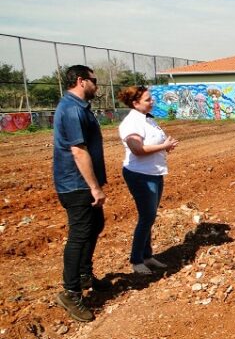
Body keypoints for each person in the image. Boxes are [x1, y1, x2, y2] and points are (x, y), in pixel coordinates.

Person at [53, 65, 108, 322]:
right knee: (79, 235)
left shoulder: (80, 107)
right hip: (76, 185)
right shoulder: (72, 110)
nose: (96, 84)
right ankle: (71, 292)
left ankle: (85, 275)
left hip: (81, 183)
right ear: (81, 81)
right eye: (94, 80)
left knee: (95, 225)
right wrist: (94, 187)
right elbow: (78, 151)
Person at [118, 86, 179, 274]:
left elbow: (153, 143)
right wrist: (163, 146)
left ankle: (147, 256)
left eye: (151, 98)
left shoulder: (148, 119)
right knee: (147, 217)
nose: (152, 101)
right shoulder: (131, 123)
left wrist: (165, 147)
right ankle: (137, 260)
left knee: (149, 216)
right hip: (140, 176)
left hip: (154, 172)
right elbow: (137, 149)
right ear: (135, 103)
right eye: (147, 100)